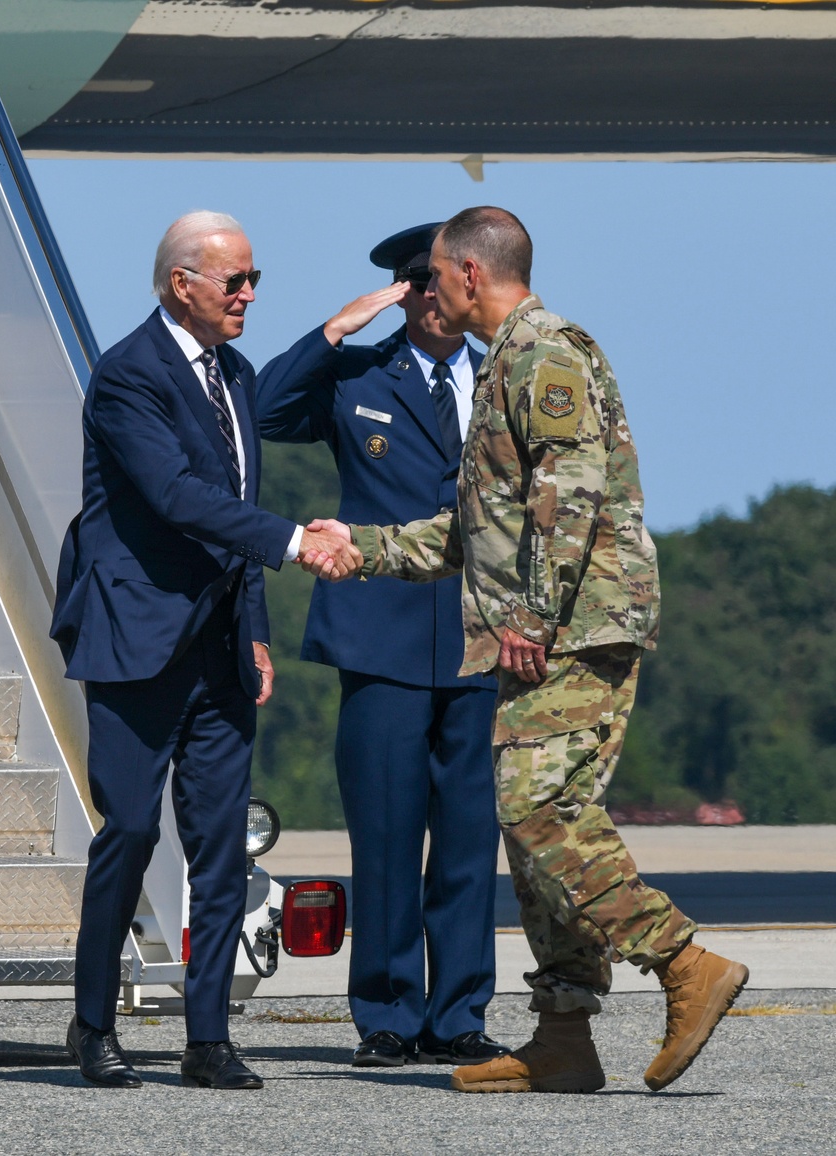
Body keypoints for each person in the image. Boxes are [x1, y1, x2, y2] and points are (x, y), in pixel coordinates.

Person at [304, 206, 748, 1094]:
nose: (426, 290)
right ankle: (564, 1034)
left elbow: (571, 503)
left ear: (472, 274)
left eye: (434, 274)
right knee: (533, 819)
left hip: (577, 628)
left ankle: (682, 961)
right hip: (548, 624)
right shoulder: (504, 361)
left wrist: (530, 621)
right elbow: (481, 529)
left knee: (539, 811)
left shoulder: (544, 353)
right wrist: (362, 548)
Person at [50, 210, 359, 1091]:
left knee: (221, 845)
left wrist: (254, 630)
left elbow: (236, 508)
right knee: (135, 829)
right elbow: (180, 496)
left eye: (255, 279)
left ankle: (209, 1037)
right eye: (235, 282)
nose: (249, 295)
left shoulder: (237, 376)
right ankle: (92, 1023)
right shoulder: (128, 376)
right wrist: (298, 543)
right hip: (135, 639)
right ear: (182, 284)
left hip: (219, 648)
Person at [256, 224, 507, 1068]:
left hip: (480, 640)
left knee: (470, 842)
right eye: (421, 288)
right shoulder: (361, 374)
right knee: (388, 838)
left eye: (444, 285)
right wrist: (335, 331)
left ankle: (460, 1013)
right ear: (405, 292)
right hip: (382, 642)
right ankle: (389, 1016)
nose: (438, 301)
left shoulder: (504, 376)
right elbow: (265, 410)